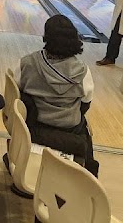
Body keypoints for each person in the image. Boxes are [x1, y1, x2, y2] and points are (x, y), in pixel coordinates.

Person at [18, 15, 98, 176]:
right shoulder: (83, 72)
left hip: (35, 128)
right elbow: (85, 103)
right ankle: (87, 174)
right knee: (85, 129)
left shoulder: (27, 63)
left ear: (47, 37)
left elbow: (17, 94)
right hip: (70, 132)